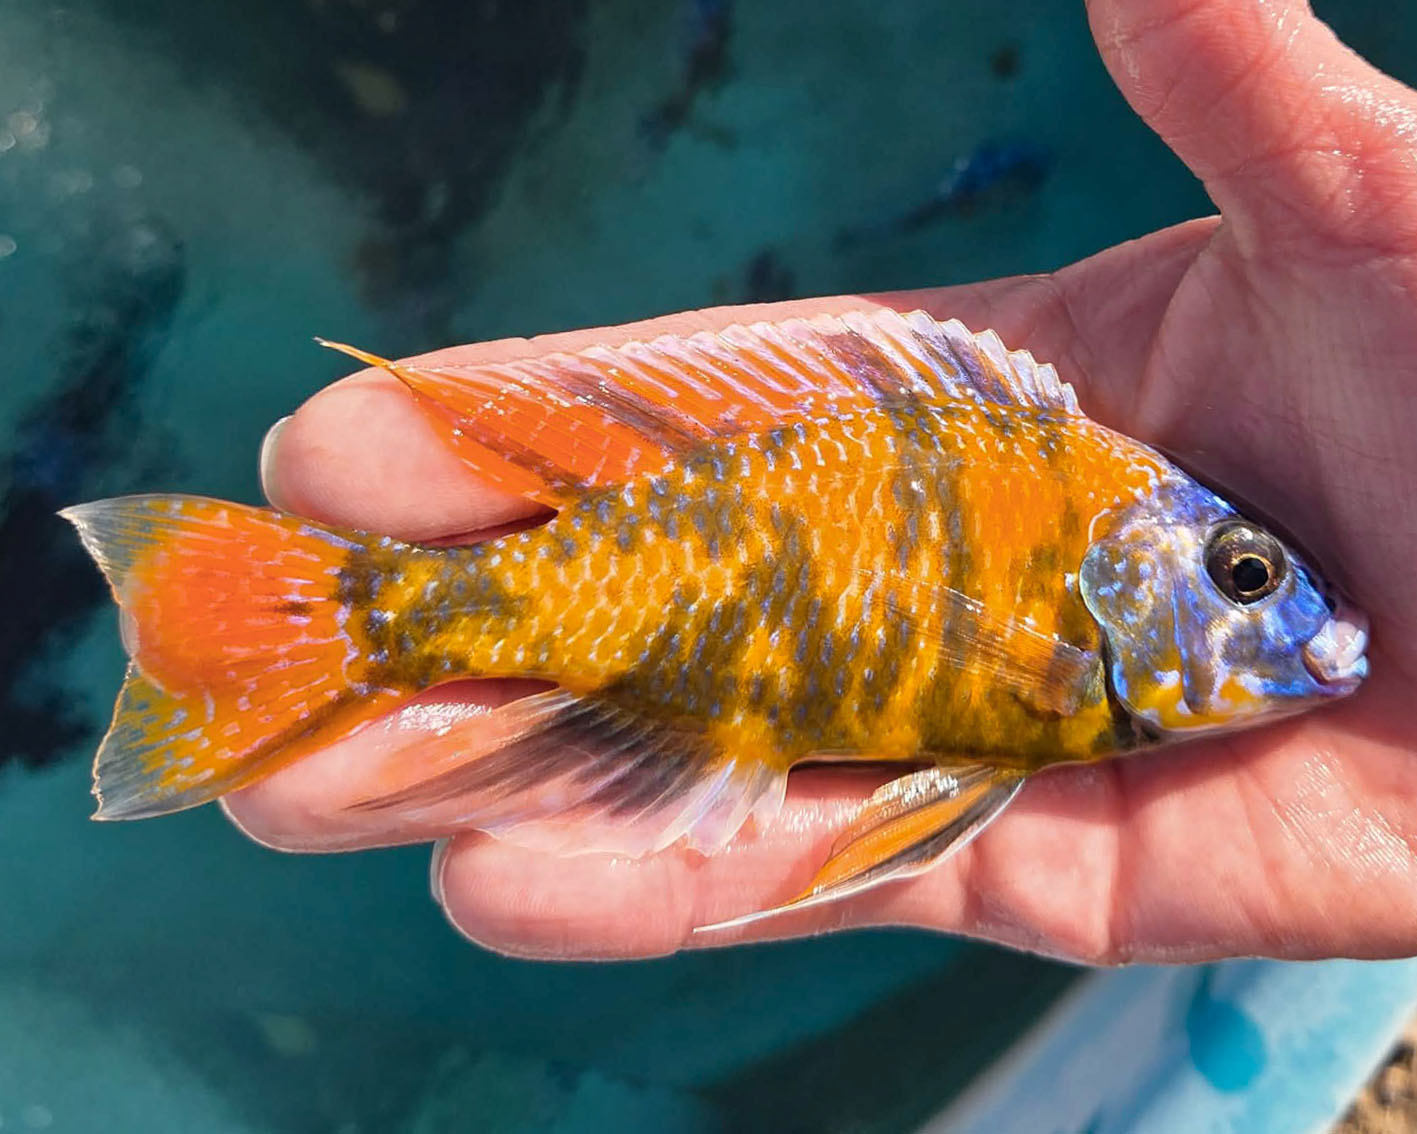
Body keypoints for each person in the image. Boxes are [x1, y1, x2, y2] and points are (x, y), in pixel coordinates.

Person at [231, 0, 1417, 963]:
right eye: (1246, 574)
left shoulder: (1081, 577)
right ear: (1133, 568)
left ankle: (339, 627)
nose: (1309, 623)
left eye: (1249, 576)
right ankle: (350, 619)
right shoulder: (1077, 609)